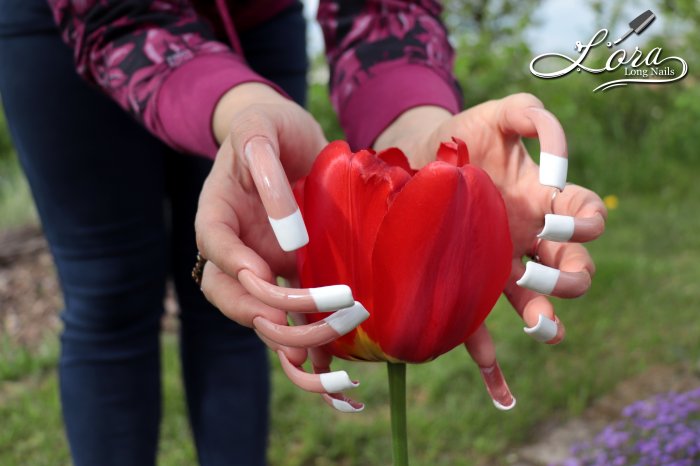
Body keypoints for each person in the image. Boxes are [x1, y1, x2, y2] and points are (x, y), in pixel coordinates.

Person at [0, 1, 607, 465]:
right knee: (110, 292)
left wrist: (421, 134)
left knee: (252, 288)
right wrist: (234, 109)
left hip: (256, 14)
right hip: (78, 24)